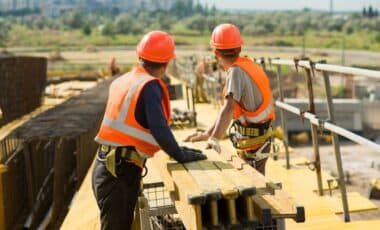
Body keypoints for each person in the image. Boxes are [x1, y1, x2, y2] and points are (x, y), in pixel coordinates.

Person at [92, 31, 207, 230]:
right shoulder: (149, 85)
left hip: (110, 167)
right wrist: (180, 154)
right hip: (118, 172)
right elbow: (160, 129)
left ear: (141, 56)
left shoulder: (124, 80)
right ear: (166, 62)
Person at [185, 24, 275, 175]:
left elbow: (228, 108)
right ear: (239, 48)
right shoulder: (246, 65)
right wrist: (209, 133)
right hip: (257, 138)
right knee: (254, 183)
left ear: (215, 52)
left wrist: (214, 139)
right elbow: (226, 110)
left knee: (255, 187)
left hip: (255, 142)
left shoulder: (236, 72)